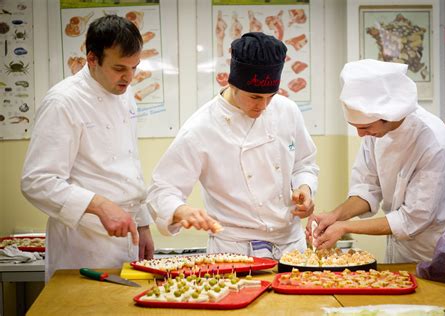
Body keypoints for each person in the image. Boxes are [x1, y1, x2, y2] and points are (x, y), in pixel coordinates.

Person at [147, 32, 319, 259]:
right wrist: (181, 210)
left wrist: (305, 187)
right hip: (235, 252)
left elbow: (304, 163)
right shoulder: (202, 128)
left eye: (271, 96)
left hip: (291, 246)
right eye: (255, 97)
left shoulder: (287, 110)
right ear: (232, 83)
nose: (264, 106)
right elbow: (162, 189)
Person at [21, 15, 154, 281]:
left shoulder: (124, 94)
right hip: (83, 246)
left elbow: (129, 165)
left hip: (127, 238)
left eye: (134, 67)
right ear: (92, 59)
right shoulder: (63, 102)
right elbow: (36, 181)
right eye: (119, 68)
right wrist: (100, 204)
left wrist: (142, 222)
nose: (129, 78)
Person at [307, 59, 445, 263]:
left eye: (365, 127)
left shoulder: (434, 142)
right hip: (398, 251)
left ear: (388, 115)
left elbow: (412, 219)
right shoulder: (375, 133)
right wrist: (336, 215)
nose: (360, 134)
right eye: (355, 126)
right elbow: (367, 189)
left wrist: (346, 227)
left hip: (434, 251)